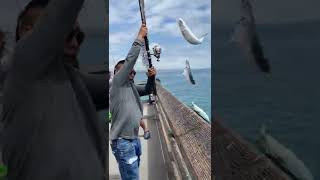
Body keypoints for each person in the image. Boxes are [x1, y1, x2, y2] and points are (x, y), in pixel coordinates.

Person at [0, 0, 107, 179]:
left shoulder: (71, 79)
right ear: (27, 32)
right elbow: (63, 8)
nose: (75, 44)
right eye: (65, 35)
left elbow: (111, 86)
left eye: (79, 37)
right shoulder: (23, 66)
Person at [110, 24, 155, 180]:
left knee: (131, 176)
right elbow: (130, 61)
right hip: (123, 141)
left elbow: (149, 90)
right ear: (119, 73)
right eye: (129, 70)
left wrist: (151, 77)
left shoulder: (132, 87)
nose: (133, 72)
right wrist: (139, 38)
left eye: (134, 71)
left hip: (134, 139)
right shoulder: (117, 83)